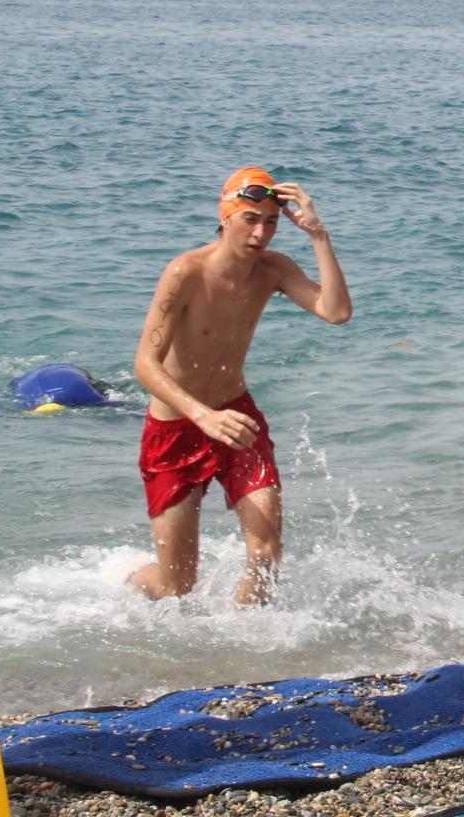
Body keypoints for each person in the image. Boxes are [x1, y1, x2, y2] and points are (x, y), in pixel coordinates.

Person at [128, 168, 352, 606]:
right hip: (177, 429)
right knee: (176, 586)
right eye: (250, 219)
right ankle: (130, 580)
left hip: (237, 418)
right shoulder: (186, 272)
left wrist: (318, 235)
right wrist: (203, 416)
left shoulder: (273, 269)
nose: (260, 233)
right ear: (225, 216)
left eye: (270, 222)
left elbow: (337, 312)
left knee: (267, 553)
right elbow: (144, 365)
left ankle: (247, 642)